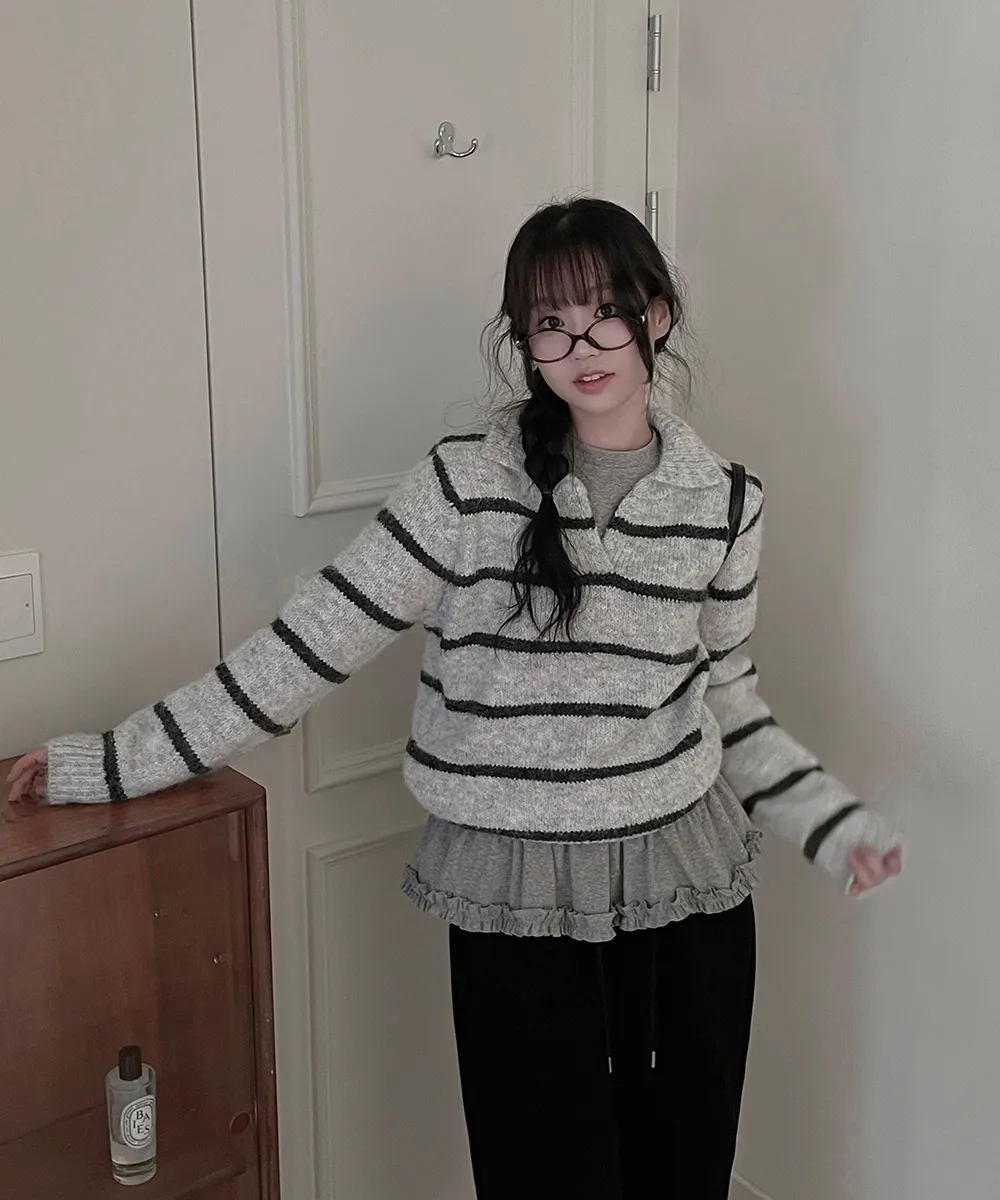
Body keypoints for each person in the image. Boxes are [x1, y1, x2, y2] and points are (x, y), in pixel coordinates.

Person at [7, 197, 902, 1198]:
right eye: (550, 322)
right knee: (541, 1178)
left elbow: (728, 688)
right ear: (525, 342)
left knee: (684, 1173)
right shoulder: (464, 488)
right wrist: (105, 762)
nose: (580, 345)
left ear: (656, 315)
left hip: (683, 881)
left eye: (606, 312)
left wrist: (824, 818)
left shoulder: (727, 500)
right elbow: (300, 651)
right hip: (516, 891)